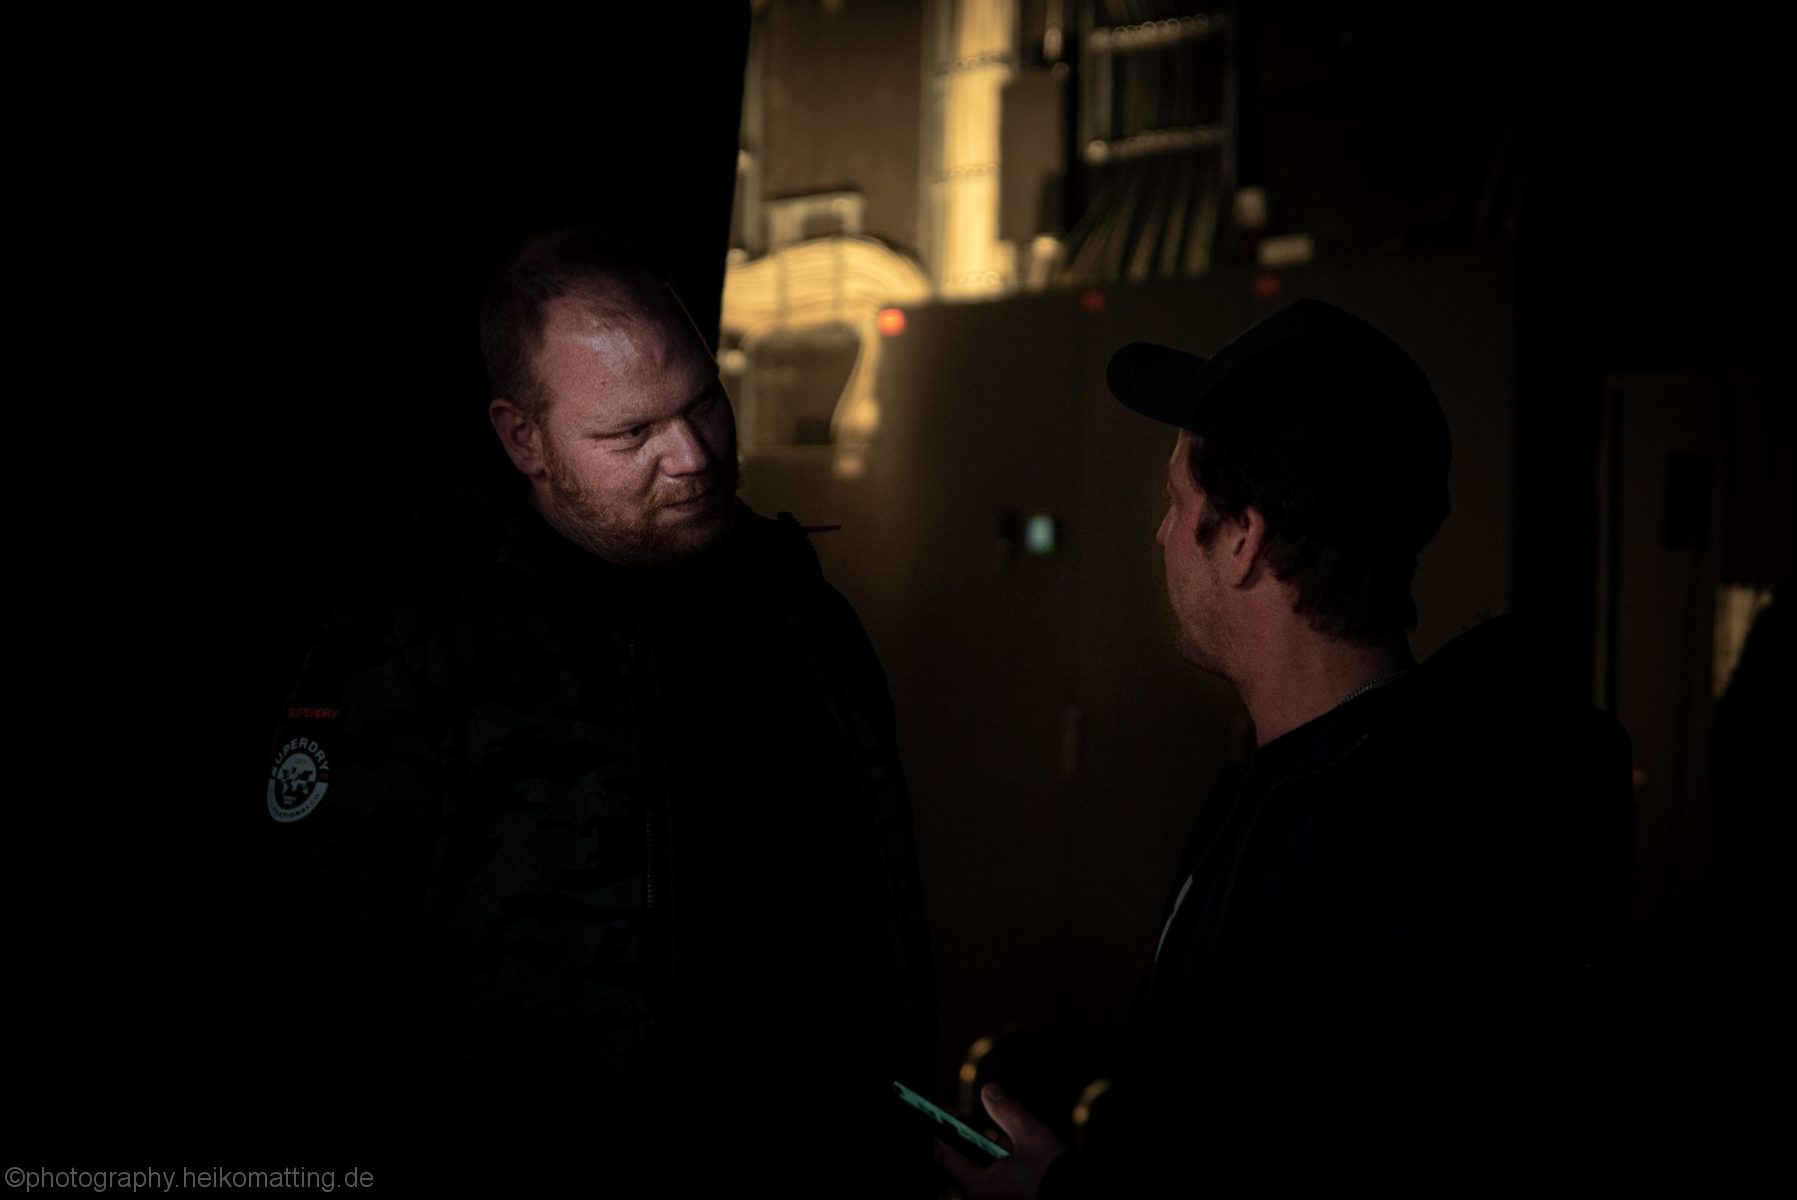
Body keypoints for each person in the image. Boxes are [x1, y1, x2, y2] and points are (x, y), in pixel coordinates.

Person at [261, 227, 933, 1192]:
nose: (692, 455)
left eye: (704, 403)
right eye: (630, 434)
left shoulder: (799, 611)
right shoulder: (421, 648)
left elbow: (876, 926)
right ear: (523, 438)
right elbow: (324, 989)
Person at [942, 300, 1634, 1195]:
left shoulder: (1393, 852)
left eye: (1175, 502)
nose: (1160, 534)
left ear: (1243, 538)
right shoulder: (1322, 790)